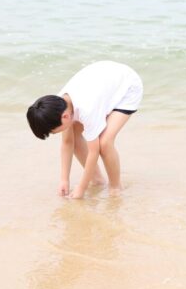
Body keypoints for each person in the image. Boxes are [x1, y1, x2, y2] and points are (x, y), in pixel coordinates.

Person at [26, 61, 144, 198]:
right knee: (74, 136)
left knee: (105, 142)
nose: (55, 133)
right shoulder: (57, 105)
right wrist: (64, 180)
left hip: (127, 86)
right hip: (105, 81)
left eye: (54, 131)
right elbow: (67, 143)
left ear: (65, 116)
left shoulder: (87, 109)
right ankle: (98, 180)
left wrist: (81, 188)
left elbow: (94, 152)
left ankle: (115, 187)